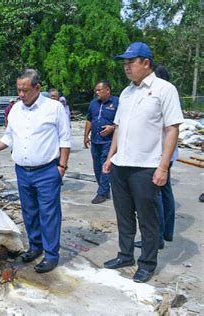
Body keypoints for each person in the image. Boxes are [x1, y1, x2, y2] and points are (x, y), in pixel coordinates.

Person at [102, 42, 183, 283]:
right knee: (124, 215)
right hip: (121, 165)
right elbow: (118, 128)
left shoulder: (164, 89)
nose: (126, 67)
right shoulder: (126, 93)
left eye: (131, 62)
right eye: (124, 63)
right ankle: (125, 254)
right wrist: (110, 157)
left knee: (148, 219)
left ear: (146, 63)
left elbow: (172, 129)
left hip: (146, 167)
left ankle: (147, 263)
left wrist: (163, 166)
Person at [0, 69, 71, 274]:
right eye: (19, 90)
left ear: (38, 88)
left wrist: (62, 167)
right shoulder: (16, 110)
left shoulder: (54, 108)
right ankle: (35, 247)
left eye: (25, 90)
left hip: (48, 170)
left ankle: (51, 254)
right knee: (29, 212)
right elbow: (8, 138)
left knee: (49, 214)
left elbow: (65, 139)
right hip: (23, 171)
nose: (21, 94)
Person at [134, 64, 178, 250]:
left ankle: (157, 237)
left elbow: (170, 129)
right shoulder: (169, 95)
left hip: (159, 155)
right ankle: (167, 232)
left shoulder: (162, 95)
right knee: (165, 193)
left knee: (156, 196)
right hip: (167, 154)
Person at [84, 80, 119, 204]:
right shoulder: (93, 103)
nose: (97, 92)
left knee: (105, 166)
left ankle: (102, 193)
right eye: (96, 90)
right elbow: (89, 120)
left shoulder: (117, 102)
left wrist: (112, 128)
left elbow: (123, 122)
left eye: (99, 90)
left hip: (109, 142)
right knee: (97, 167)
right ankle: (103, 188)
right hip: (95, 141)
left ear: (108, 90)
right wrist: (86, 136)